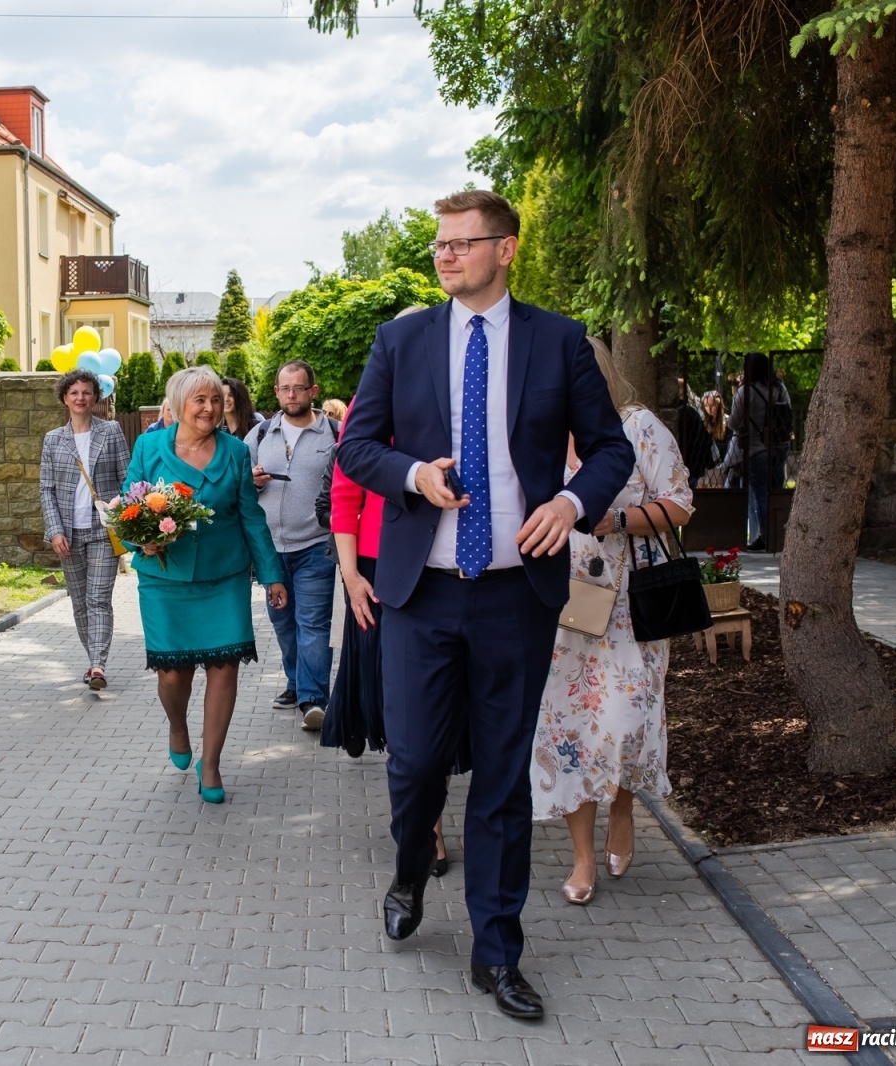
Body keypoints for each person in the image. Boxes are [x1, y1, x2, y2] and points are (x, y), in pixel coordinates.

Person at [336, 189, 634, 1021]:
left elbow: (609, 450)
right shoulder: (401, 340)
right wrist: (414, 476)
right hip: (420, 593)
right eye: (440, 244)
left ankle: (496, 952)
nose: (445, 256)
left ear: (505, 250)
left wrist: (571, 504)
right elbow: (357, 445)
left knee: (502, 778)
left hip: (516, 596)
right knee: (418, 761)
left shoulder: (559, 341)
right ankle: (407, 870)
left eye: (463, 243)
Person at [532, 337, 693, 905]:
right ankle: (581, 858)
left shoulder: (640, 427)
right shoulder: (540, 432)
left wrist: (616, 518)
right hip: (562, 605)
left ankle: (622, 809)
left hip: (628, 606)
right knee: (569, 728)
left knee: (624, 724)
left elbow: (680, 502)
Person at [123, 366, 287, 804]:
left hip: (224, 575)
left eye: (215, 400)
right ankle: (178, 727)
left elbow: (251, 516)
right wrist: (143, 541)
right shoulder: (148, 446)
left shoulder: (234, 451)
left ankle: (210, 763)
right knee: (173, 675)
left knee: (224, 667)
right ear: (178, 404)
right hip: (165, 578)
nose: (209, 408)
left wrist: (272, 573)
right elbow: (126, 507)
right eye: (199, 400)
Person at [323, 387, 463, 880]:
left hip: (449, 565)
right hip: (378, 569)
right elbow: (344, 495)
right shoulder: (374, 402)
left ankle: (428, 818)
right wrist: (350, 575)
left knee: (445, 699)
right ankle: (427, 827)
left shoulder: (460, 397)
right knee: (404, 702)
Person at [247, 361, 340, 731]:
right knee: (283, 623)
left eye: (299, 388)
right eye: (285, 389)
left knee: (313, 622)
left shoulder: (334, 433)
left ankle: (313, 699)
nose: (291, 395)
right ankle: (295, 681)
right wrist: (251, 482)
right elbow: (238, 487)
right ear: (276, 392)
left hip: (317, 545)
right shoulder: (259, 435)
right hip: (270, 550)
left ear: (313, 392)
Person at [39, 369, 130, 690]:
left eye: (87, 392)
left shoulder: (112, 431)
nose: (80, 398)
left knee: (98, 600)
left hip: (103, 531)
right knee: (79, 602)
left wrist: (120, 503)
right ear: (65, 397)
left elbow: (128, 478)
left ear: (96, 397)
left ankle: (97, 665)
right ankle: (92, 658)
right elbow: (46, 490)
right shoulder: (53, 439)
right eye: (74, 392)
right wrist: (55, 531)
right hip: (68, 533)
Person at [728, 353, 792, 550]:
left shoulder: (746, 391)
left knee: (761, 494)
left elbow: (732, 423)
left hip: (756, 449)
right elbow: (788, 412)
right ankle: (780, 535)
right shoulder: (780, 388)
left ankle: (765, 537)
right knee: (776, 490)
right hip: (780, 447)